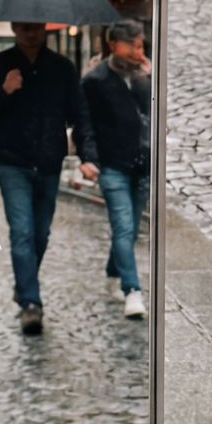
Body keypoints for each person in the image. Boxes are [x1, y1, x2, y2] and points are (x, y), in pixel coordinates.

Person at [0, 22, 92, 335]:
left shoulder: (62, 68)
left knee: (41, 234)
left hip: (49, 161)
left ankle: (25, 285)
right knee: (22, 231)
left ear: (44, 29)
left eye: (35, 27)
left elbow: (79, 113)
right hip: (12, 162)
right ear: (13, 28)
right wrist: (4, 91)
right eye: (24, 27)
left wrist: (88, 156)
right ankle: (30, 304)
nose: (30, 33)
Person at [81, 19, 152, 320]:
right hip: (112, 166)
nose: (139, 51)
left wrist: (147, 79)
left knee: (131, 229)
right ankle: (132, 290)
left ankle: (113, 272)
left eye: (141, 44)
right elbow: (85, 122)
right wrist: (89, 158)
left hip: (142, 163)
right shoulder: (95, 80)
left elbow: (152, 113)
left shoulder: (145, 76)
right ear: (114, 46)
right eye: (133, 45)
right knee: (123, 226)